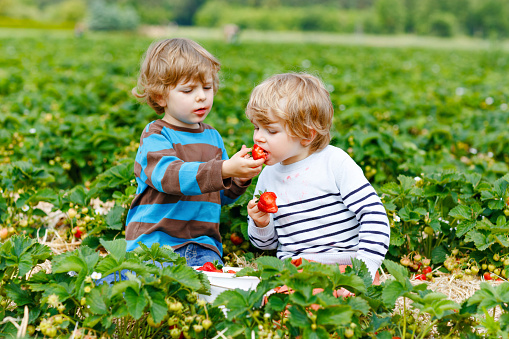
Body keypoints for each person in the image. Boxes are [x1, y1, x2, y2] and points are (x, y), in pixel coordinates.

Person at [125, 38, 265, 268]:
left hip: (202, 245)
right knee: (150, 283)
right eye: (188, 90)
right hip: (154, 244)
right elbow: (170, 177)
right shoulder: (156, 135)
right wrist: (224, 168)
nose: (201, 96)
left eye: (207, 87)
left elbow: (217, 195)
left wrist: (238, 179)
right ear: (160, 96)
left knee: (207, 290)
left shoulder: (213, 137)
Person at [246, 73, 390, 283]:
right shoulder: (268, 174)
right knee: (271, 302)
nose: (258, 137)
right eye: (256, 127)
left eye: (271, 130)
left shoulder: (334, 162)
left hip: (345, 267)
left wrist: (365, 267)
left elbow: (374, 215)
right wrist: (261, 223)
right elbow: (266, 244)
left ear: (306, 134)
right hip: (295, 271)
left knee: (330, 301)